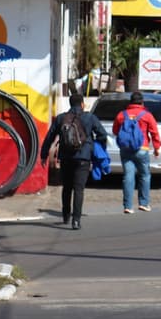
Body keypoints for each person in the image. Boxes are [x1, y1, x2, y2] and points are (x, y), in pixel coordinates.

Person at [40, 93, 108, 230]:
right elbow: (103, 134)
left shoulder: (61, 118)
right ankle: (76, 220)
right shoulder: (90, 117)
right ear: (82, 104)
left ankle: (66, 216)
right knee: (79, 189)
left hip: (66, 158)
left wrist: (44, 155)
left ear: (70, 104)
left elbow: (50, 136)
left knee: (67, 188)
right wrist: (94, 145)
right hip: (83, 157)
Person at [112, 91, 160, 214]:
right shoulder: (147, 115)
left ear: (130, 102)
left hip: (126, 149)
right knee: (144, 175)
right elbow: (154, 132)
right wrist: (156, 148)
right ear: (142, 102)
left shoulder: (121, 115)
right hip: (142, 149)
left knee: (128, 176)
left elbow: (115, 131)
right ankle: (143, 203)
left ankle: (128, 206)